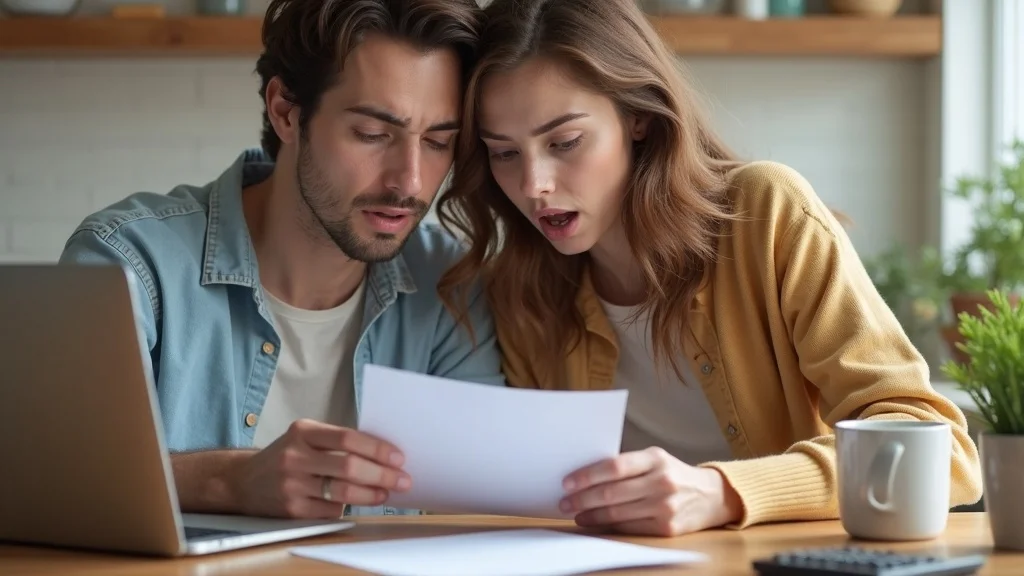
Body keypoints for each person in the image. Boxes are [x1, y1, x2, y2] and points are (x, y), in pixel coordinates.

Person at [437, 0, 983, 537]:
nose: (534, 185)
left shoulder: (766, 214)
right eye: (504, 153)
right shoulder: (519, 289)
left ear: (639, 118)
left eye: (565, 142)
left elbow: (943, 456)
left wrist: (721, 491)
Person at [58, 0, 504, 521]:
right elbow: (49, 475)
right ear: (286, 111)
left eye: (437, 142)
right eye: (373, 134)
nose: (409, 182)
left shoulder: (450, 284)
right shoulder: (130, 266)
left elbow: (480, 502)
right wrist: (229, 481)